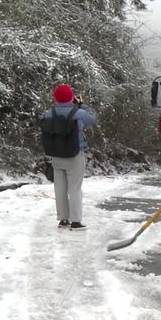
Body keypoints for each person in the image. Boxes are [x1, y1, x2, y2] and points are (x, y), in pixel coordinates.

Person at [42, 84, 96, 231]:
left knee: (59, 188)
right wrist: (81, 104)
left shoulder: (48, 113)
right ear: (71, 97)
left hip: (56, 156)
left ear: (55, 97)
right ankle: (76, 222)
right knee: (75, 188)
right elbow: (92, 119)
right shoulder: (78, 112)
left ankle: (63, 220)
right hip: (74, 155)